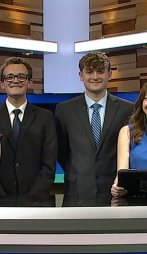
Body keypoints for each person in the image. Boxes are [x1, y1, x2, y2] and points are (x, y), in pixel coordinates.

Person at [55, 51, 134, 196]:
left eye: (100, 71)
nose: (95, 77)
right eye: (89, 72)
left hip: (115, 190)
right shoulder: (64, 109)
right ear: (81, 75)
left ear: (109, 74)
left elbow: (130, 150)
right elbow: (61, 150)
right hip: (77, 189)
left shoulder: (127, 109)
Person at [0, 57, 57, 196]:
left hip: (36, 201)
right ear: (2, 83)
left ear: (30, 82)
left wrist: (32, 198)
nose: (15, 80)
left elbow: (49, 164)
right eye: (9, 77)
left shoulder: (45, 117)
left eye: (21, 77)